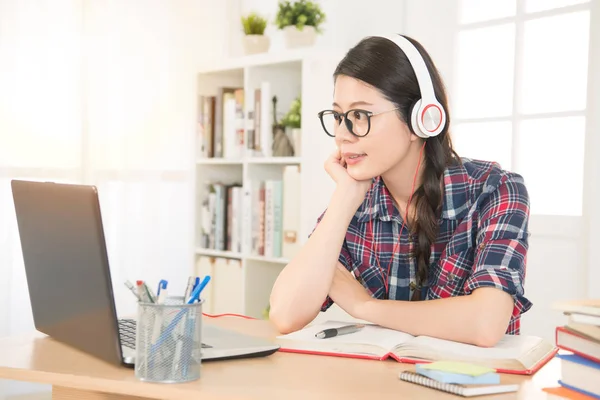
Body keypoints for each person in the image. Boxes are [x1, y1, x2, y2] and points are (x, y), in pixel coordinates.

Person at [268, 34, 532, 348]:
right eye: (338, 117)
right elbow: (285, 314)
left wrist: (365, 306)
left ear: (422, 119)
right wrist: (344, 198)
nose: (342, 135)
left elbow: (485, 324)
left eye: (359, 116)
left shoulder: (495, 190)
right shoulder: (357, 202)